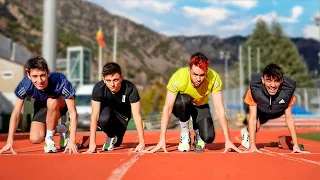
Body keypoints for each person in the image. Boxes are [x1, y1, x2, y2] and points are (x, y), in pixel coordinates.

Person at [149, 52, 242, 153]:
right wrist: (162, 139)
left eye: (202, 75)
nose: (198, 79)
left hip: (200, 106)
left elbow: (219, 109)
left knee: (208, 137)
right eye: (195, 74)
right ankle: (185, 133)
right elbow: (167, 107)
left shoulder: (213, 78)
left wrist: (228, 140)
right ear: (189, 70)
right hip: (183, 106)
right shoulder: (179, 77)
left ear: (207, 72)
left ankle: (198, 135)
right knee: (183, 101)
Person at [0, 56, 78, 154]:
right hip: (41, 105)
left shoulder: (60, 81)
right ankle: (63, 128)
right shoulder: (25, 85)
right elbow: (16, 113)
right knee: (35, 138)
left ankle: (49, 141)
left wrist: (72, 141)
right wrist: (9, 141)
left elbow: (73, 112)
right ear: (29, 75)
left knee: (51, 101)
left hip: (60, 102)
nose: (40, 80)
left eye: (42, 75)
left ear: (48, 73)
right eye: (35, 76)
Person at [241, 63, 308, 153]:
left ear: (281, 81)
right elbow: (252, 117)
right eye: (268, 80)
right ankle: (247, 132)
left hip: (277, 109)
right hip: (260, 109)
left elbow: (289, 118)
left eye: (276, 81)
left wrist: (296, 145)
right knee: (255, 124)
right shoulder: (254, 91)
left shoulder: (287, 93)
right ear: (263, 80)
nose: (273, 85)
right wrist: (252, 146)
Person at [84, 62, 145, 153]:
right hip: (106, 114)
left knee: (118, 142)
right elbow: (94, 115)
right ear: (104, 80)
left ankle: (117, 136)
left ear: (121, 78)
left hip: (122, 117)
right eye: (108, 80)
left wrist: (142, 142)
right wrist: (92, 143)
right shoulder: (99, 88)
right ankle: (111, 135)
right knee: (103, 118)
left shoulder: (130, 88)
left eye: (115, 80)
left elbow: (137, 115)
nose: (112, 84)